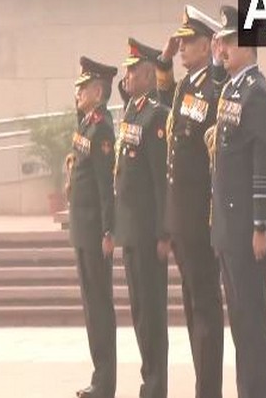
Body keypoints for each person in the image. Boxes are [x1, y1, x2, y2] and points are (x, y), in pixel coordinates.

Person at [156, 5, 227, 398]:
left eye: (187, 44)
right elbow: (165, 104)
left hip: (200, 213)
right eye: (180, 44)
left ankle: (209, 390)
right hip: (180, 214)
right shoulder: (185, 86)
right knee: (190, 306)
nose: (181, 49)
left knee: (205, 307)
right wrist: (163, 60)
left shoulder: (213, 88)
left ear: (206, 46)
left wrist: (218, 65)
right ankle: (203, 385)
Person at [210, 4, 266, 398]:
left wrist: (259, 224)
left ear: (248, 47)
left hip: (246, 228)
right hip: (227, 225)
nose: (222, 50)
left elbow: (262, 158)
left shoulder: (257, 93)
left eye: (229, 42)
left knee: (252, 322)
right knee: (238, 321)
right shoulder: (233, 87)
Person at [115, 38, 170, 398]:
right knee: (138, 313)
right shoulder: (133, 110)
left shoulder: (155, 114)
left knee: (151, 314)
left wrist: (165, 232)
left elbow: (160, 180)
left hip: (150, 231)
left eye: (133, 70)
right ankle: (147, 382)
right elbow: (120, 87)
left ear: (148, 76)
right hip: (130, 229)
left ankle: (155, 388)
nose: (127, 75)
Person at [68, 56, 118, 398]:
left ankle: (105, 383)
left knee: (100, 307)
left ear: (98, 92)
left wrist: (108, 231)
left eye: (83, 88)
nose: (77, 94)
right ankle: (98, 378)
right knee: (91, 308)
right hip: (81, 229)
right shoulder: (87, 123)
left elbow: (105, 184)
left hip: (94, 231)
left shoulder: (101, 127)